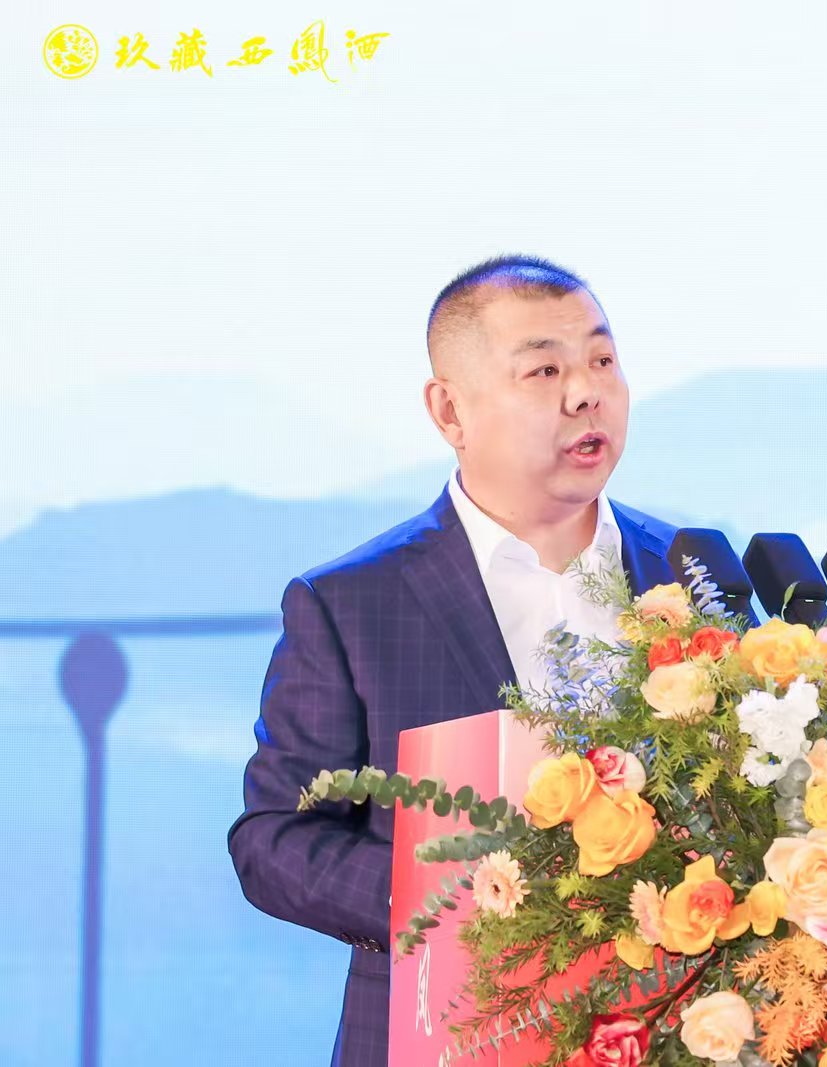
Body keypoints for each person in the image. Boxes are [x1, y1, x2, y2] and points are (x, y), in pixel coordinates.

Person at [227, 256, 679, 1067]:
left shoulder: (694, 571)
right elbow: (273, 839)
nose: (587, 392)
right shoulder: (353, 602)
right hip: (444, 1033)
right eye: (544, 369)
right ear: (450, 409)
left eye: (602, 360)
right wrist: (454, 897)